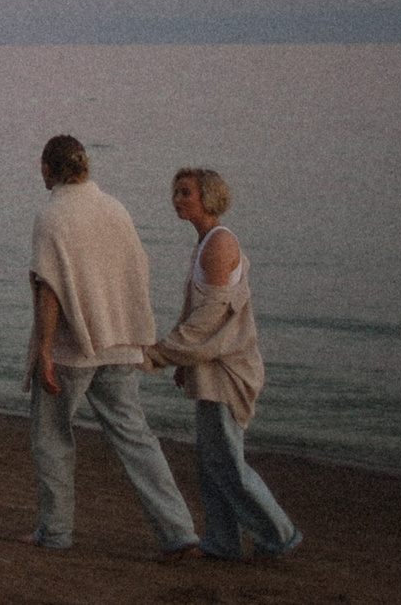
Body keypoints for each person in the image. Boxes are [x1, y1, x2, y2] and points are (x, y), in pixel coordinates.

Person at [23, 133, 199, 560]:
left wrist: (44, 351)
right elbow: (138, 268)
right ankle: (179, 532)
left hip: (73, 348)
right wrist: (136, 331)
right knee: (136, 438)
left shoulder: (53, 216)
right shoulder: (116, 209)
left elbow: (50, 289)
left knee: (52, 438)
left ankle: (56, 533)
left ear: (49, 169)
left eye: (42, 168)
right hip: (118, 342)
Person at [143, 168, 303, 562]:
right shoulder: (204, 243)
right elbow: (197, 316)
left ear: (208, 198)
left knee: (227, 463)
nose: (177, 199)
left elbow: (210, 320)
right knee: (212, 461)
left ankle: (278, 536)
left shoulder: (219, 243)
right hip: (209, 368)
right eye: (175, 192)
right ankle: (222, 542)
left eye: (186, 193)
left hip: (229, 372)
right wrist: (182, 362)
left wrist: (159, 354)